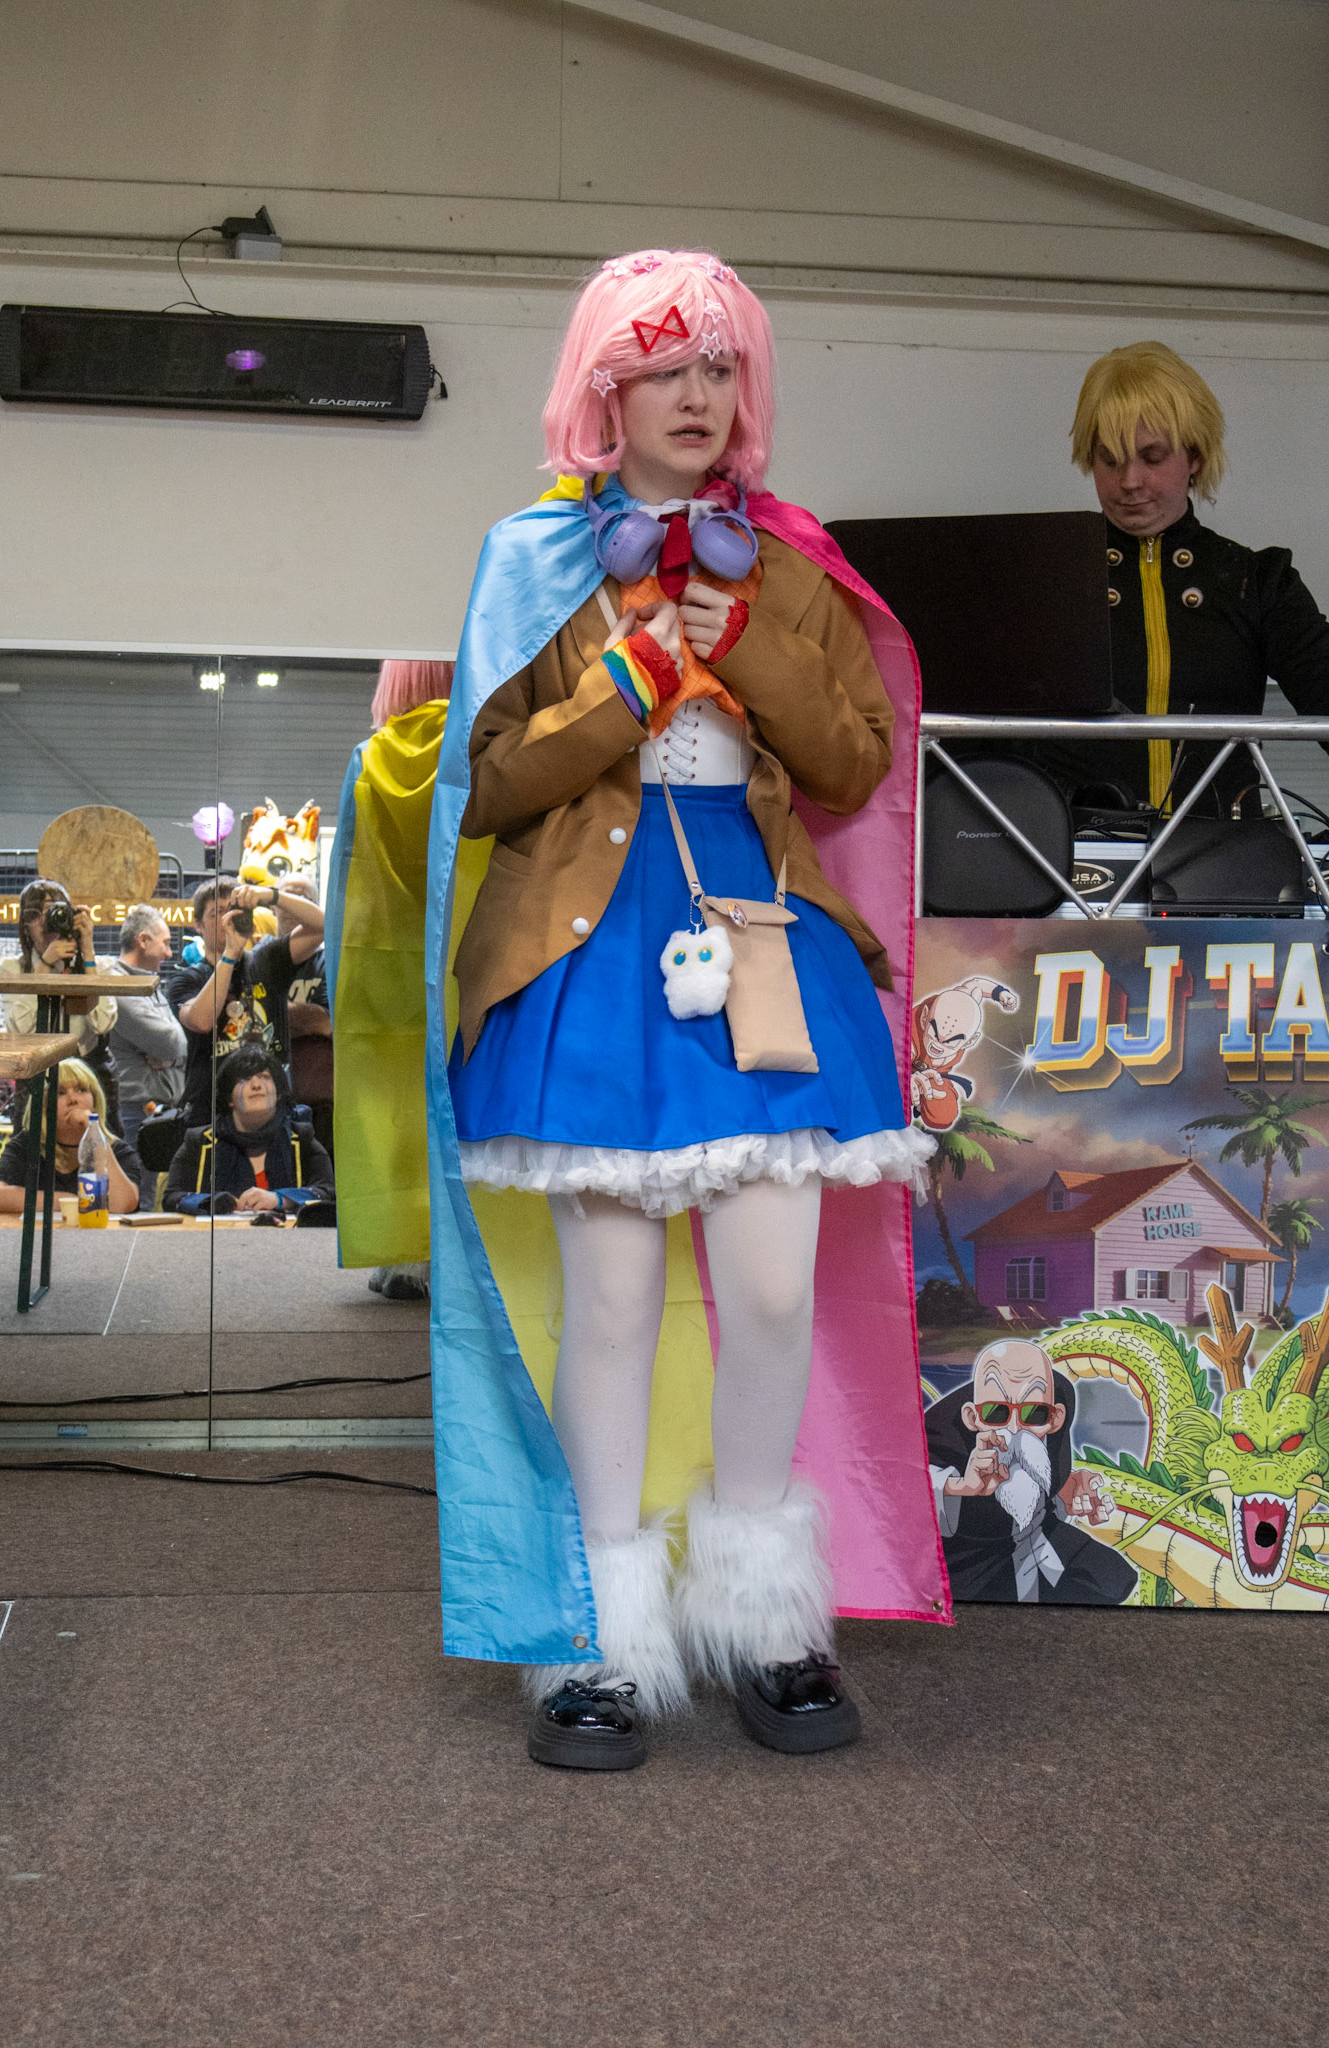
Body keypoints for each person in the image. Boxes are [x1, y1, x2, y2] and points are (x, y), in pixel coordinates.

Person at [391, 247, 945, 1772]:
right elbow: (488, 777)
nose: (696, 395)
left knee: (769, 1290)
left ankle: (766, 1619)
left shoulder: (789, 563)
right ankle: (599, 1633)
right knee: (616, 1304)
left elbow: (854, 762)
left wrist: (744, 638)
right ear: (605, 389)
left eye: (717, 367)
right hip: (589, 945)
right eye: (663, 367)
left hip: (758, 933)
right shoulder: (532, 558)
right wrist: (630, 684)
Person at [1056, 341, 1329, 819]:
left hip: (1222, 852)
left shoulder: (1259, 581)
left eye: (1152, 457)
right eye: (1110, 459)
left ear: (1196, 456)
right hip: (1069, 853)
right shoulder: (1047, 582)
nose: (1129, 481)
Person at [327, 658, 457, 1304]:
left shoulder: (369, 760)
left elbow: (344, 886)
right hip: (463, 962)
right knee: (459, 1115)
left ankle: (406, 1258)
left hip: (383, 971)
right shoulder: (482, 752)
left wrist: (338, 982)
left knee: (398, 1120)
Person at [923, 1339, 1137, 1605]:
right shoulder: (943, 1434)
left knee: (1113, 1578)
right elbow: (900, 1493)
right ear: (972, 1417)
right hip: (971, 1562)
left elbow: (1034, 1492)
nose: (1014, 1429)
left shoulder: (1058, 1412)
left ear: (1055, 1418)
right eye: (996, 1412)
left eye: (1034, 1413)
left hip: (1040, 1539)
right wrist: (959, 1486)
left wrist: (1064, 1493)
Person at [168, 875, 326, 1126]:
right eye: (217, 913)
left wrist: (271, 896)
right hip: (211, 1116)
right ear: (198, 925)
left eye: (233, 910)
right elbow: (201, 1021)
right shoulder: (187, 979)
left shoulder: (267, 961)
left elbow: (321, 926)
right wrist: (230, 953)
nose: (227, 919)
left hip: (273, 1113)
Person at [0, 879, 123, 1135]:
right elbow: (20, 1031)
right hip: (36, 1078)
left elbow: (103, 1024)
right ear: (25, 924)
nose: (47, 922)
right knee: (29, 1148)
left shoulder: (99, 966)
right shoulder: (12, 969)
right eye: (36, 914)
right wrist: (44, 966)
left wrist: (88, 952)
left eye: (55, 911)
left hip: (89, 1075)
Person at [161, 1047, 335, 1215]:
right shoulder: (199, 1141)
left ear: (279, 1093)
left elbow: (329, 1192)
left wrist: (281, 1199)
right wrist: (211, 1202)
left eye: (265, 1077)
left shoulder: (302, 1138)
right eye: (244, 1079)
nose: (256, 1085)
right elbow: (172, 1197)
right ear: (229, 1098)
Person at [0, 1056, 141, 1215]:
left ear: (94, 1102)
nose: (73, 1099)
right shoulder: (28, 1144)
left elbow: (122, 1205)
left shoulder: (118, 1151)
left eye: (81, 1090)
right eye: (60, 1093)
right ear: (44, 1106)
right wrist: (67, 1201)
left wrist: (95, 1134)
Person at [101, 904, 186, 1196]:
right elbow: (172, 1040)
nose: (169, 953)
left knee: (152, 1196)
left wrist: (173, 1059)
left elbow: (176, 1042)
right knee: (139, 1198)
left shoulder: (146, 982)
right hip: (136, 1113)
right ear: (143, 940)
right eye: (166, 943)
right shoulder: (119, 985)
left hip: (158, 1111)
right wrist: (175, 1053)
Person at [277, 875, 334, 1158]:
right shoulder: (259, 958)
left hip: (322, 1106)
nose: (294, 905)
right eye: (287, 897)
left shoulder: (329, 962)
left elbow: (327, 1023)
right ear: (274, 906)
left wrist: (273, 1007)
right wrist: (307, 1018)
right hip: (268, 1105)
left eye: (303, 899)